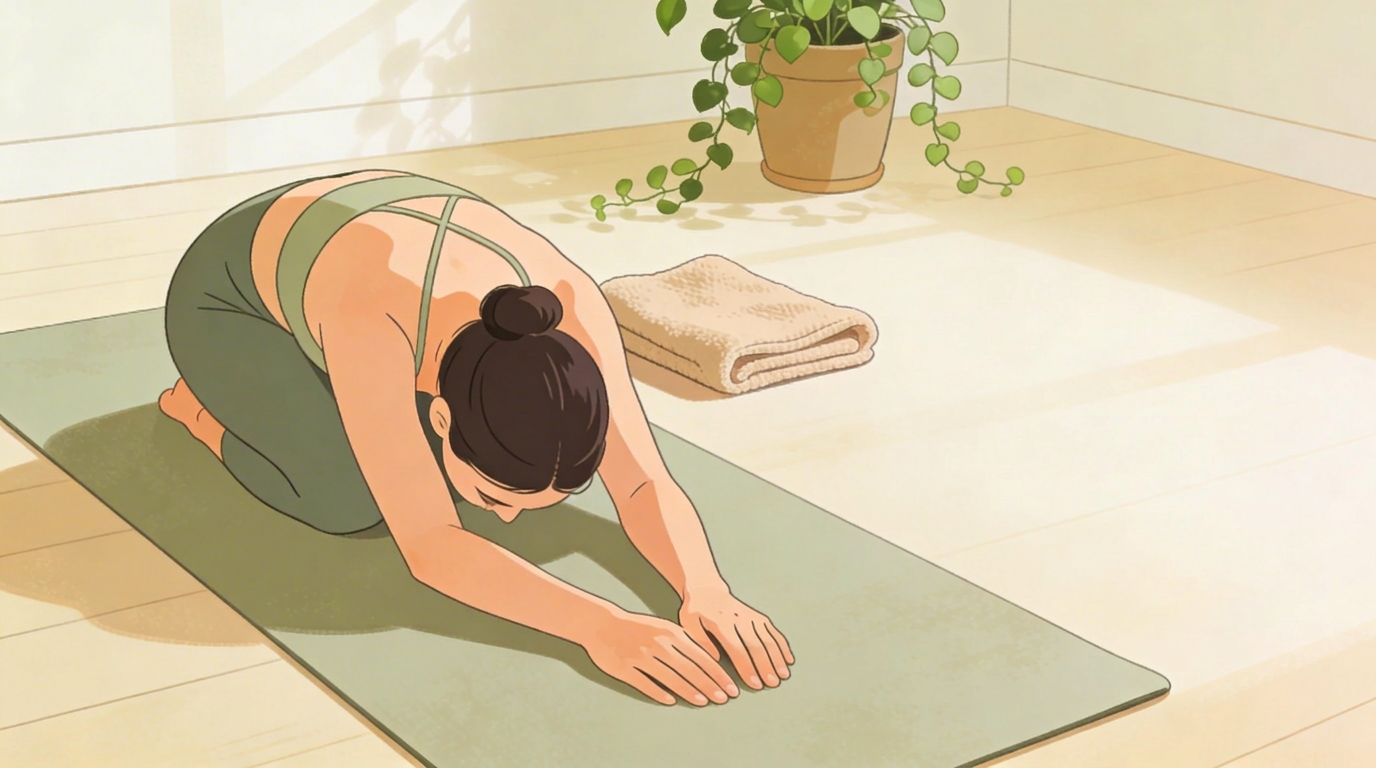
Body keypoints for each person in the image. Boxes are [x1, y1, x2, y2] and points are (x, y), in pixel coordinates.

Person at [159, 169, 793, 706]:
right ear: (439, 417)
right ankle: (202, 412)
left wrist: (706, 589)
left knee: (410, 467)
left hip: (373, 235)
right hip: (228, 295)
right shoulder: (367, 313)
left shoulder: (573, 306)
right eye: (495, 498)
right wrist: (601, 625)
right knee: (346, 499)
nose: (508, 522)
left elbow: (641, 480)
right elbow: (431, 547)